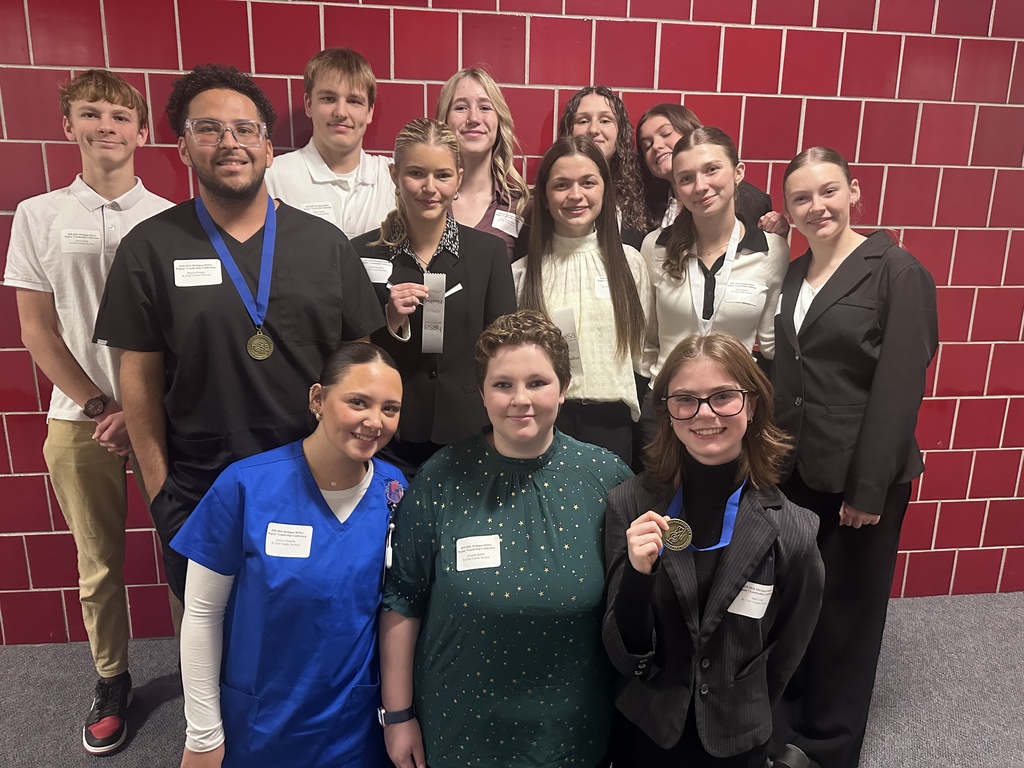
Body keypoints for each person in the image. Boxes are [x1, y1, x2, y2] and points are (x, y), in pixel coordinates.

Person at [93, 64, 385, 603]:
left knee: (310, 630)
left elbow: (361, 363)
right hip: (201, 486)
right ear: (183, 148)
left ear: (269, 148)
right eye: (208, 129)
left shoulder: (325, 245)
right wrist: (161, 496)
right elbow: (137, 378)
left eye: (245, 129)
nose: (230, 143)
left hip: (314, 479)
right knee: (212, 641)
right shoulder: (149, 248)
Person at [379, 309, 633, 768]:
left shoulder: (606, 477)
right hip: (459, 726)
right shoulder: (441, 476)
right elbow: (402, 599)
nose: (521, 399)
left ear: (564, 388)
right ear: (481, 393)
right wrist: (397, 716)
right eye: (503, 385)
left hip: (571, 733)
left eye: (537, 382)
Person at [3, 69, 172, 756]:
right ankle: (112, 679)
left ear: (141, 130)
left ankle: (205, 673)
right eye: (90, 113)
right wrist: (105, 404)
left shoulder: (170, 216)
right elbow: (37, 330)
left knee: (187, 550)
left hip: (163, 418)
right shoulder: (39, 215)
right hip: (81, 420)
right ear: (67, 126)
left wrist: (141, 410)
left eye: (119, 115)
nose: (106, 125)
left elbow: (186, 330)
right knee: (98, 561)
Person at [770, 147, 939, 768]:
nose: (817, 207)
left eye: (828, 192)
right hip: (797, 470)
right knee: (797, 603)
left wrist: (868, 490)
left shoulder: (896, 270)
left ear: (855, 192)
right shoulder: (794, 274)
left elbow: (899, 389)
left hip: (861, 477)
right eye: (801, 199)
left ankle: (830, 744)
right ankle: (786, 724)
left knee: (847, 611)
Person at [172, 343, 405, 768]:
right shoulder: (245, 487)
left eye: (390, 409)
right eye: (358, 402)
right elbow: (202, 614)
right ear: (317, 399)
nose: (376, 422)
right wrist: (203, 733)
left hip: (353, 726)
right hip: (261, 722)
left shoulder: (395, 491)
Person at [603, 331, 823, 767]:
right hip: (648, 729)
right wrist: (637, 577)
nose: (705, 414)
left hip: (737, 737)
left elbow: (787, 650)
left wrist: (745, 704)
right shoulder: (628, 505)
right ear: (667, 412)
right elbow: (621, 649)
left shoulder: (793, 529)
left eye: (723, 396)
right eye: (685, 399)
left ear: (753, 404)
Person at [351, 118, 516, 477]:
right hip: (389, 433)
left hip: (469, 433)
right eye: (416, 173)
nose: (429, 188)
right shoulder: (363, 252)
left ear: (458, 178)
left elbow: (504, 350)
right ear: (395, 175)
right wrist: (390, 318)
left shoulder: (487, 253)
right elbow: (352, 351)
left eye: (442, 175)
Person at [638, 127, 788, 447]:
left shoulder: (772, 251)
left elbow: (771, 345)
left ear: (738, 173)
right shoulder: (656, 247)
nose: (700, 186)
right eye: (686, 178)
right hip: (667, 407)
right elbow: (647, 337)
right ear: (676, 187)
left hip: (734, 410)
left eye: (711, 169)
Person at [514, 135, 651, 465]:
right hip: (544, 421)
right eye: (561, 185)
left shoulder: (630, 263)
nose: (576, 195)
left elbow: (644, 352)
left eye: (588, 182)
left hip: (613, 425)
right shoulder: (521, 273)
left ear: (604, 189)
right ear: (545, 197)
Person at [265, 48, 393, 239]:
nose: (341, 112)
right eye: (328, 99)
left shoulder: (392, 178)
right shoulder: (273, 177)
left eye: (354, 101)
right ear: (309, 104)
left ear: (369, 112)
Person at [635, 103, 779, 232]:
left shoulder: (751, 202)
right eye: (647, 145)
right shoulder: (645, 206)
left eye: (666, 133)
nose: (656, 146)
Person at [435, 67, 529, 260]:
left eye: (485, 107)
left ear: (499, 121)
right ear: (444, 121)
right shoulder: (425, 198)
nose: (473, 119)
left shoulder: (520, 207)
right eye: (461, 107)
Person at [558, 85, 650, 248]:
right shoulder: (553, 192)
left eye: (605, 120)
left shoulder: (643, 192)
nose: (593, 129)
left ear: (620, 131)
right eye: (583, 121)